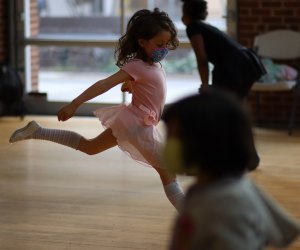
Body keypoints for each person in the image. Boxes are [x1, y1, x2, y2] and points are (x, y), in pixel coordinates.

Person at [9, 8, 185, 212]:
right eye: (159, 44)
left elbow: (147, 85)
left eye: (166, 44)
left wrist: (132, 85)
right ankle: (194, 221)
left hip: (135, 122)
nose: (163, 49)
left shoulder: (150, 65)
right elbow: (103, 85)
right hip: (139, 125)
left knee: (90, 147)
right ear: (142, 42)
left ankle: (37, 131)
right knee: (167, 173)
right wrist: (75, 103)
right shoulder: (137, 66)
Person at [162, 89, 300, 249]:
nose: (168, 146)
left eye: (175, 137)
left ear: (209, 143)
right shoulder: (211, 190)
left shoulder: (227, 206)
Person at [181, 0, 266, 99]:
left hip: (232, 65)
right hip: (248, 61)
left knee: (221, 103)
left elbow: (202, 59)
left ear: (186, 13)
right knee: (234, 104)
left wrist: (205, 85)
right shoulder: (205, 27)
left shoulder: (193, 28)